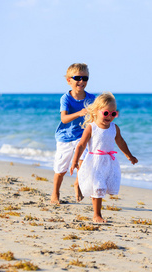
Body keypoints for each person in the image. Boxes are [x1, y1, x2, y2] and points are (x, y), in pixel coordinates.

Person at [70, 92, 138, 223]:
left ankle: (96, 210)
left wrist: (129, 156)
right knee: (97, 187)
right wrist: (74, 161)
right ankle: (97, 215)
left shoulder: (114, 128)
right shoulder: (91, 128)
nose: (110, 117)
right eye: (106, 113)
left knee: (105, 187)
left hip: (109, 163)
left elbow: (121, 142)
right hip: (94, 162)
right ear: (96, 111)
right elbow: (81, 145)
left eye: (113, 114)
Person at [51, 63, 95, 205]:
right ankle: (55, 193)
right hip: (65, 137)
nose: (81, 81)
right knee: (61, 169)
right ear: (69, 80)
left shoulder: (91, 98)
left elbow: (97, 114)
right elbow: (63, 118)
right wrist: (79, 113)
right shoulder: (66, 99)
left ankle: (78, 184)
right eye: (77, 78)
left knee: (83, 163)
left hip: (82, 136)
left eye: (85, 78)